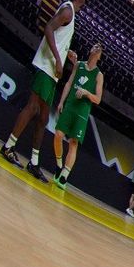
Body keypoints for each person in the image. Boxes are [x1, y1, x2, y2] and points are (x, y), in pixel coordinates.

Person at [1, 0, 86, 177]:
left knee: (44, 117)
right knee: (32, 108)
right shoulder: (67, 10)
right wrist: (58, 59)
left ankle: (34, 162)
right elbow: (48, 28)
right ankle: (8, 146)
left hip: (52, 72)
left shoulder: (71, 13)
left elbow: (58, 36)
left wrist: (67, 53)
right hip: (46, 68)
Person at [49, 43, 102, 190]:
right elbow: (69, 83)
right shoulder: (79, 65)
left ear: (99, 56)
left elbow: (98, 99)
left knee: (73, 143)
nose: (97, 47)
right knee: (58, 135)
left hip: (82, 112)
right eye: (95, 46)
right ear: (91, 50)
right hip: (70, 105)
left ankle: (65, 175)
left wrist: (86, 93)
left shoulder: (99, 75)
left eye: (99, 48)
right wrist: (61, 101)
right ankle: (59, 164)